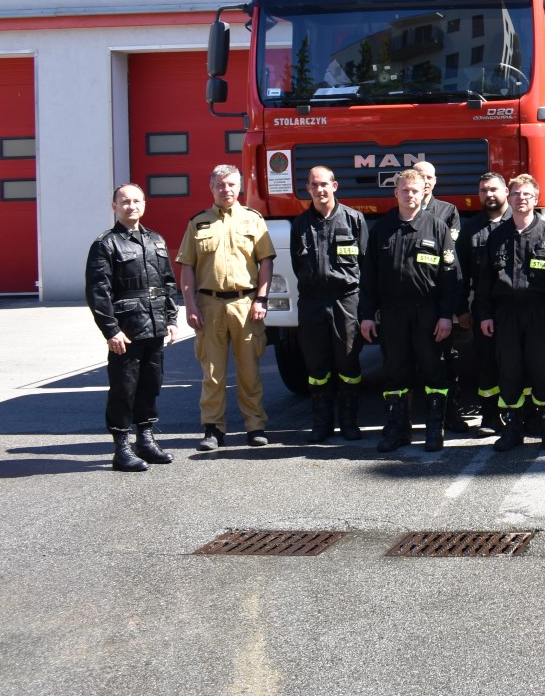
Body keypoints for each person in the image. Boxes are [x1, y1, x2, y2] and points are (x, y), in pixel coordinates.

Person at [360, 169, 461, 452]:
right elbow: (368, 277)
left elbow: (450, 275)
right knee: (394, 372)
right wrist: (367, 315)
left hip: (428, 313)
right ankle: (398, 430)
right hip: (392, 313)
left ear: (424, 191)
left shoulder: (437, 228)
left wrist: (446, 315)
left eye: (415, 190)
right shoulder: (381, 229)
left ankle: (434, 430)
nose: (410, 195)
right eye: (404, 190)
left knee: (434, 370)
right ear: (396, 193)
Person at [175, 164, 275, 449]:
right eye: (220, 185)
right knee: (212, 373)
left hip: (246, 304)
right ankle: (213, 429)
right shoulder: (198, 223)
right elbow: (187, 267)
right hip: (209, 305)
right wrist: (190, 306)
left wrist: (262, 299)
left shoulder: (253, 219)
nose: (226, 189)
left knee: (249, 372)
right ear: (212, 187)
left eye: (231, 184)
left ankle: (255, 426)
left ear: (239, 187)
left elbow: (266, 261)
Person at [476, 174, 545, 451]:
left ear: (536, 199)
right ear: (509, 196)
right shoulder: (497, 236)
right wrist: (485, 314)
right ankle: (512, 430)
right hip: (505, 314)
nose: (521, 199)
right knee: (509, 372)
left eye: (527, 194)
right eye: (516, 193)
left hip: (540, 314)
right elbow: (484, 282)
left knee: (543, 371)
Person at [86, 183, 179, 472]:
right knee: (123, 389)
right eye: (125, 201)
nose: (131, 206)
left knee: (150, 385)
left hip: (155, 325)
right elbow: (98, 291)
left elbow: (167, 283)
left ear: (144, 204)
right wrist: (111, 330)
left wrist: (171, 319)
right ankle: (121, 448)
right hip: (127, 330)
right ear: (114, 206)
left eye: (137, 201)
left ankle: (145, 440)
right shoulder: (106, 244)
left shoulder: (155, 240)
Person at [290, 165, 367, 443]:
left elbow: (365, 264)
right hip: (312, 303)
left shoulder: (354, 219)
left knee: (348, 361)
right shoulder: (299, 224)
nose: (319, 189)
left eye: (324, 184)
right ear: (308, 189)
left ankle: (349, 422)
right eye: (314, 185)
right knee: (316, 366)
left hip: (345, 301)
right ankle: (321, 423)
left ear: (334, 186)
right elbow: (297, 265)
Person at [413, 159, 474, 435]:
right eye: (419, 176)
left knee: (445, 359)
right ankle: (408, 419)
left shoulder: (448, 211)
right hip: (411, 302)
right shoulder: (401, 214)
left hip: (439, 299)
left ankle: (451, 413)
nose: (425, 181)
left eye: (429, 177)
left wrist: (454, 306)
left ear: (435, 181)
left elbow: (451, 257)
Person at [459, 172, 511, 435]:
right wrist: (461, 309)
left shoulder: (520, 222)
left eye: (493, 189)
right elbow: (460, 272)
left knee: (517, 361)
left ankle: (519, 415)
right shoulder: (470, 228)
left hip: (515, 308)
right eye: (483, 190)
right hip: (483, 308)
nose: (488, 194)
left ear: (506, 191)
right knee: (487, 362)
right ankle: (490, 416)